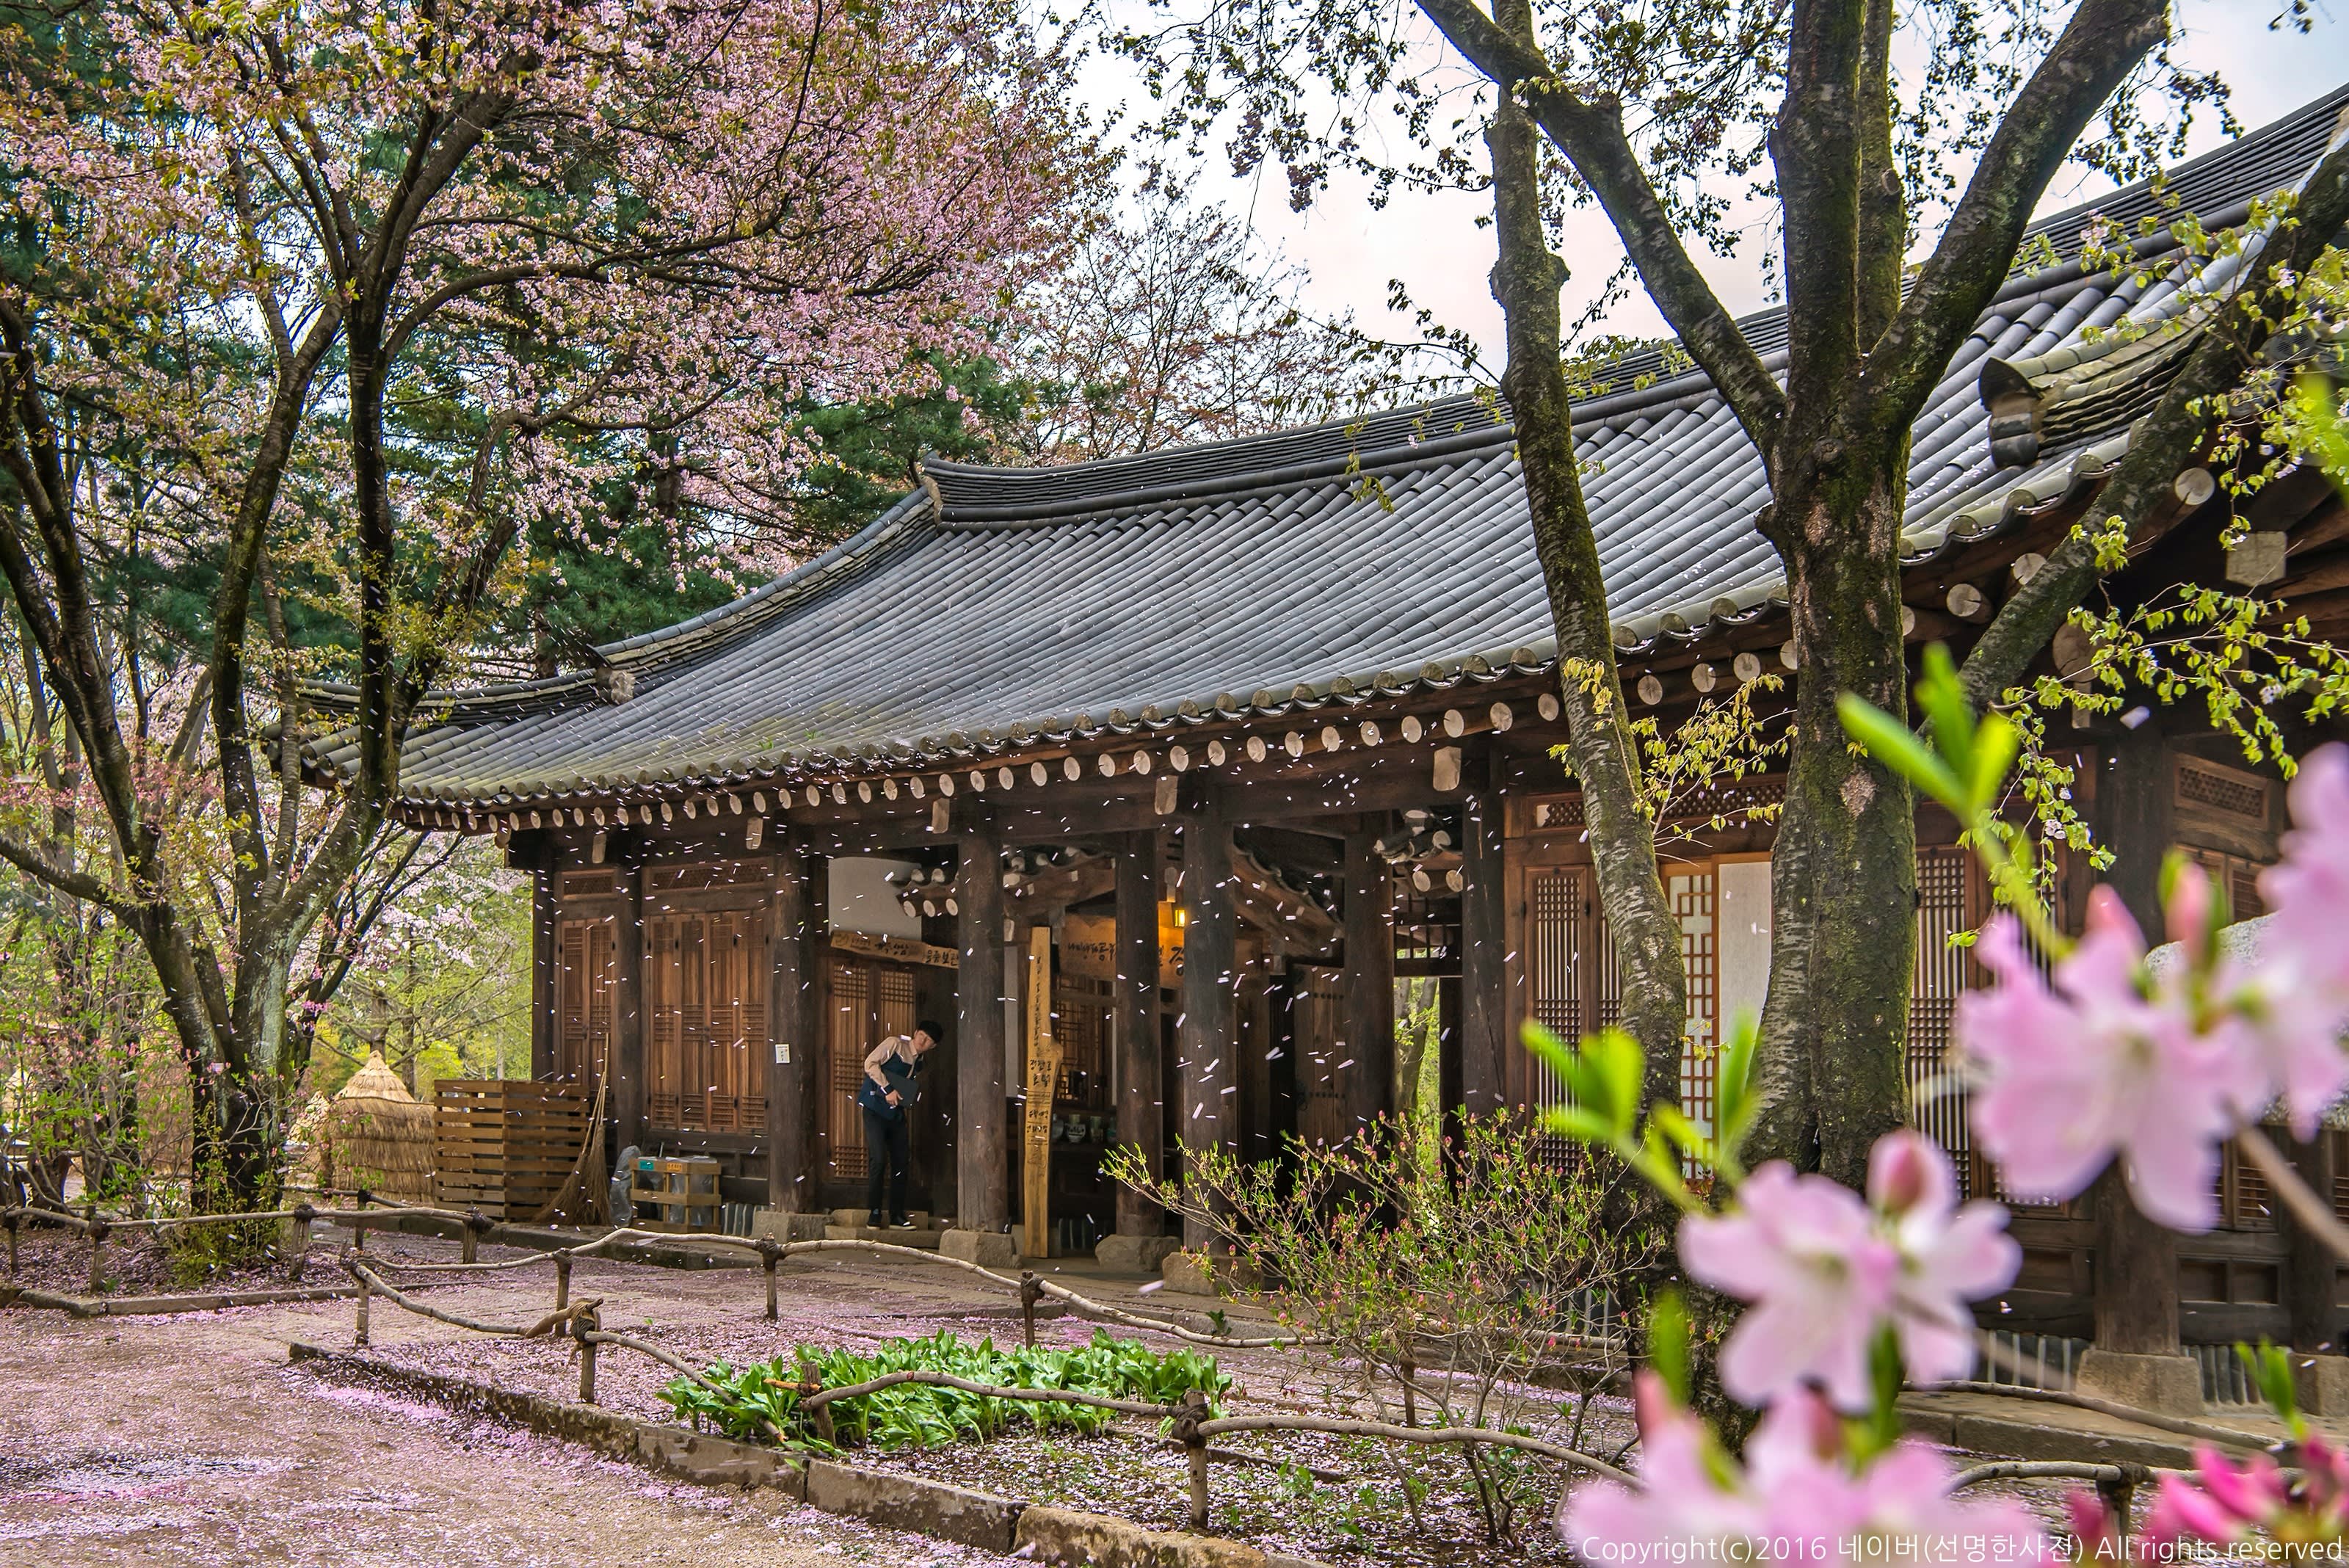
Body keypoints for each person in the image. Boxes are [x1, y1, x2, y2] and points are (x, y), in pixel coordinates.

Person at [857, 1020, 943, 1228]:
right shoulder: (894, 1044)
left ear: (933, 1046)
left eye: (929, 1040)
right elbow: (870, 1063)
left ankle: (896, 1215)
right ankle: (875, 1212)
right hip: (874, 1109)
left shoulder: (921, 1063)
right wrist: (887, 1089)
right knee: (878, 1159)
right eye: (922, 1035)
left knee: (901, 1163)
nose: (923, 1040)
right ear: (915, 1032)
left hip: (895, 1115)